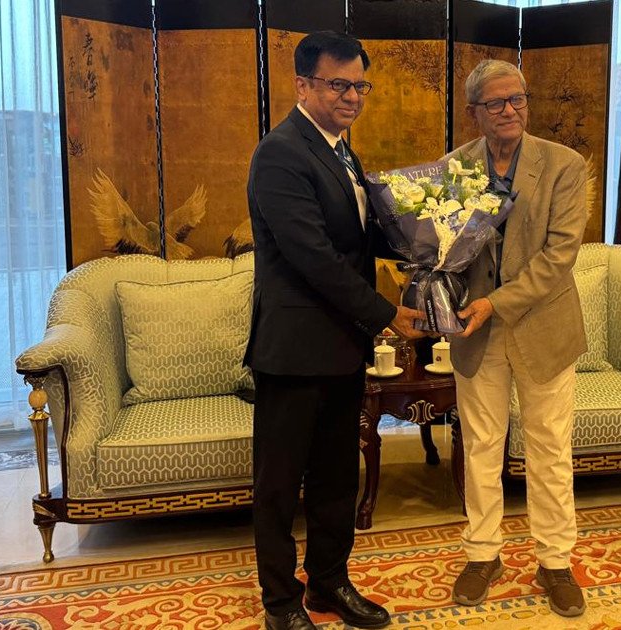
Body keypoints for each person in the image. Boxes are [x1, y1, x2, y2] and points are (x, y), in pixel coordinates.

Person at [244, 30, 425, 630]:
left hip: (342, 347)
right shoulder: (280, 153)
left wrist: (431, 239)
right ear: (303, 85)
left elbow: (357, 238)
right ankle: (280, 603)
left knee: (336, 477)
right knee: (279, 486)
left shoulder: (342, 151)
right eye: (339, 85)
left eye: (360, 86)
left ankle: (328, 583)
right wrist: (386, 313)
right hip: (293, 351)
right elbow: (313, 257)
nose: (352, 97)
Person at [445, 59, 589, 617]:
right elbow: (443, 248)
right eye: (496, 102)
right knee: (481, 445)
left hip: (542, 327)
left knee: (549, 447)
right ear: (474, 113)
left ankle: (555, 561)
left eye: (518, 99)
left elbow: (559, 256)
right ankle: (482, 554)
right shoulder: (455, 168)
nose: (509, 110)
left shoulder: (563, 165)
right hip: (475, 332)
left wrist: (494, 304)